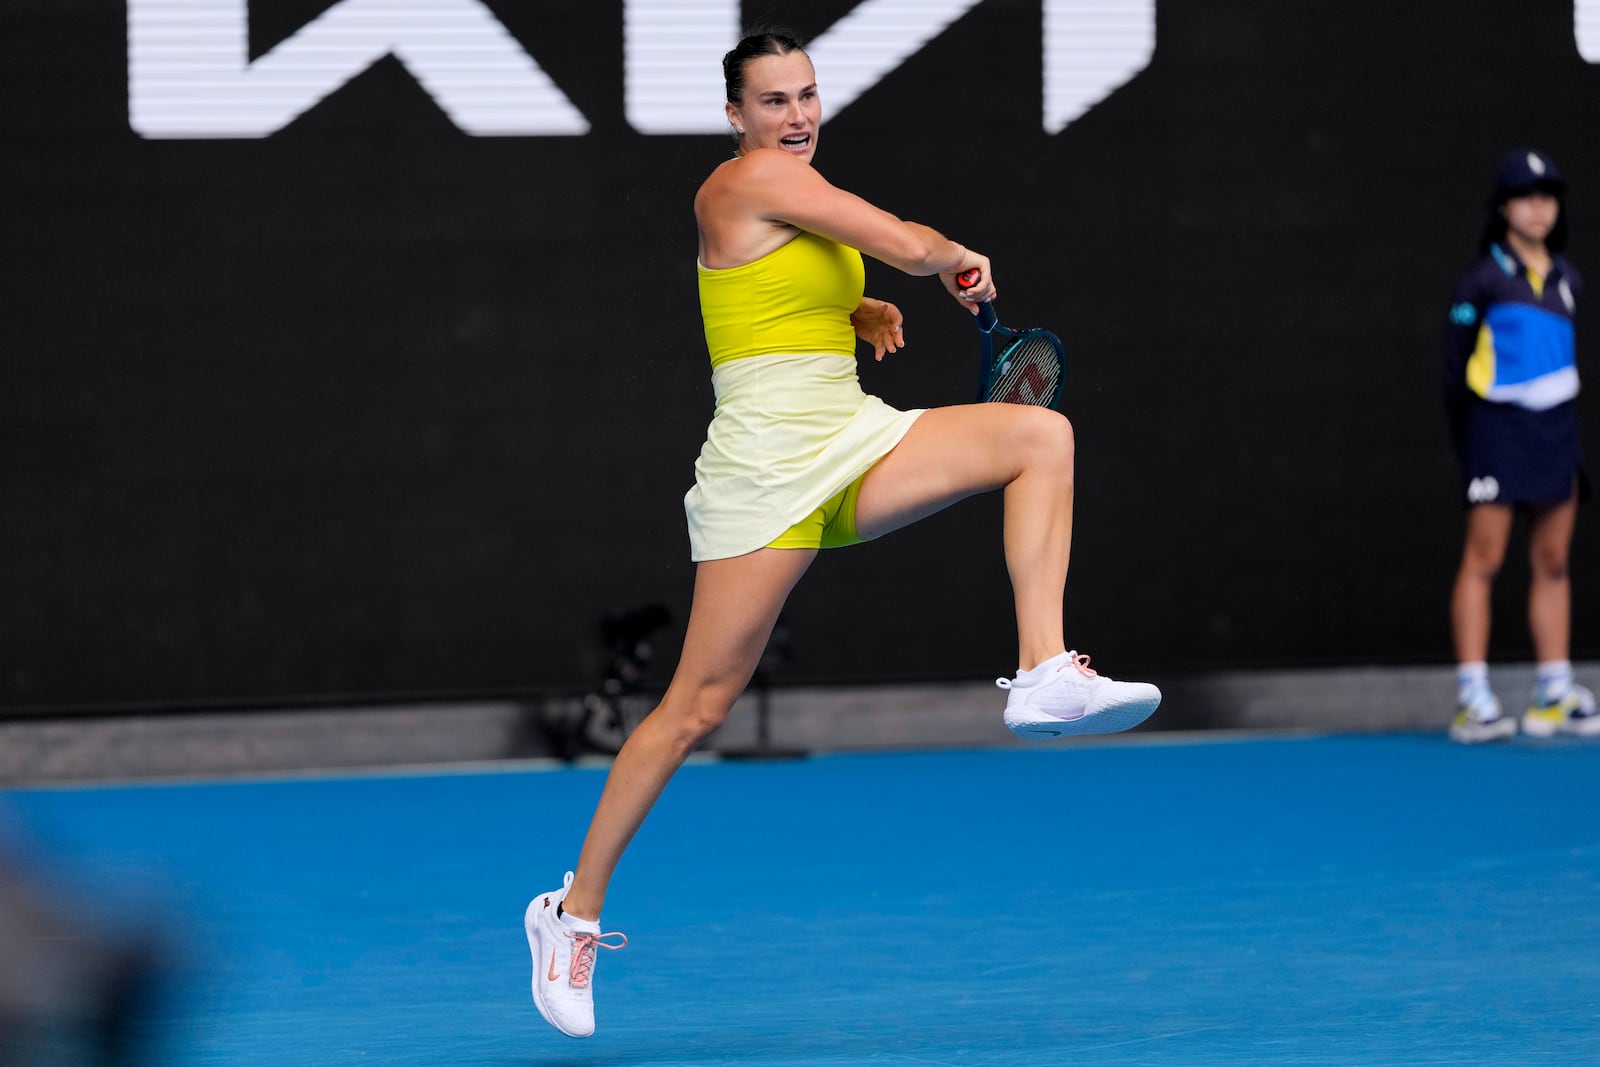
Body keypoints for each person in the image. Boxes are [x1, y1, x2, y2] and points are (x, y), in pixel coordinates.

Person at [524, 28, 1162, 1039]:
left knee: (1040, 436)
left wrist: (853, 309)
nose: (796, 116)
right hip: (764, 478)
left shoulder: (794, 209)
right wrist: (947, 260)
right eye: (772, 101)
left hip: (854, 440)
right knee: (693, 708)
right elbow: (909, 242)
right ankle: (571, 911)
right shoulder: (734, 186)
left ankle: (1044, 667)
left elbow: (786, 286)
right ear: (735, 115)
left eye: (807, 95)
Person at [1442, 148, 1596, 744]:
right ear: (1504, 207)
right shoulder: (1482, 279)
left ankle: (1553, 693)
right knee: (1485, 559)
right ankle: (1472, 697)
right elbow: (1453, 368)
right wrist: (1474, 433)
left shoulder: (1568, 279)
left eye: (1548, 197)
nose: (1539, 207)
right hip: (1497, 431)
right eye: (1527, 196)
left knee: (1554, 561)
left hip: (1556, 432)